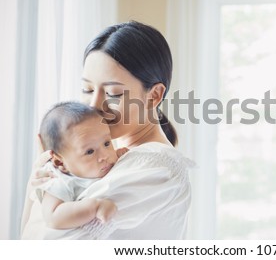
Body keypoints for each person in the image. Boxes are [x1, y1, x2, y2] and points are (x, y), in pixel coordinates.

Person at [21, 21, 193, 239]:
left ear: (154, 96)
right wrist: (36, 183)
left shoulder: (154, 167)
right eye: (87, 89)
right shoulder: (99, 161)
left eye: (113, 93)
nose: (93, 105)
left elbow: (45, 242)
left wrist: (44, 194)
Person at [36, 101, 128, 230]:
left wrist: (118, 154)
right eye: (89, 152)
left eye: (107, 143)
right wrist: (95, 207)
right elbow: (53, 217)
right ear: (60, 162)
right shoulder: (59, 180)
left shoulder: (103, 161)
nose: (105, 156)